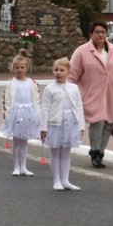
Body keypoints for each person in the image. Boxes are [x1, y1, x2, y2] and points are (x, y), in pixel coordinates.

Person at [68, 20, 113, 168]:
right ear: (91, 34)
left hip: (111, 96)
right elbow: (72, 76)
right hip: (92, 96)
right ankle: (94, 152)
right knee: (97, 123)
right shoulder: (82, 51)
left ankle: (100, 152)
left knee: (108, 125)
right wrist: (70, 95)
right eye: (97, 32)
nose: (101, 35)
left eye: (103, 32)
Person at [40, 58, 86, 190]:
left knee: (66, 152)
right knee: (55, 152)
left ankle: (65, 180)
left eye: (62, 70)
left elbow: (78, 107)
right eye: (56, 70)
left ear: (68, 72)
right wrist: (44, 128)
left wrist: (81, 125)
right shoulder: (49, 88)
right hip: (55, 124)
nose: (58, 73)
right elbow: (45, 108)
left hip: (70, 123)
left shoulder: (74, 88)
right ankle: (57, 181)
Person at [3, 51, 41, 176]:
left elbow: (36, 99)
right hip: (16, 113)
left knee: (24, 141)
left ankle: (24, 166)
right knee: (16, 141)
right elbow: (7, 100)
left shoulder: (31, 83)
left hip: (28, 113)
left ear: (26, 68)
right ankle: (16, 166)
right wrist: (8, 115)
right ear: (13, 68)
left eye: (22, 67)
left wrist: (37, 114)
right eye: (17, 67)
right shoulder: (10, 83)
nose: (20, 70)